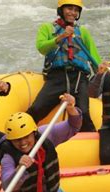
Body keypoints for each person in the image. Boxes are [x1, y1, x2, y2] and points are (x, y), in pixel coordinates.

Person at [0, 94, 91, 192]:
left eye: (26, 137)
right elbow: (7, 185)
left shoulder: (45, 135)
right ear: (10, 141)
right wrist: (19, 170)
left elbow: (73, 126)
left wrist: (71, 108)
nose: (23, 143)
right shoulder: (9, 157)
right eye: (17, 140)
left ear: (34, 133)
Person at [27, 0, 101, 132]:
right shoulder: (48, 28)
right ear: (61, 10)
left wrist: (101, 70)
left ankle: (89, 143)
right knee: (37, 108)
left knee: (83, 112)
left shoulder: (82, 31)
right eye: (69, 9)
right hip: (56, 77)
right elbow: (41, 47)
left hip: (79, 78)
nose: (72, 12)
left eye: (75, 10)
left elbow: (94, 56)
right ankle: (21, 135)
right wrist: (61, 37)